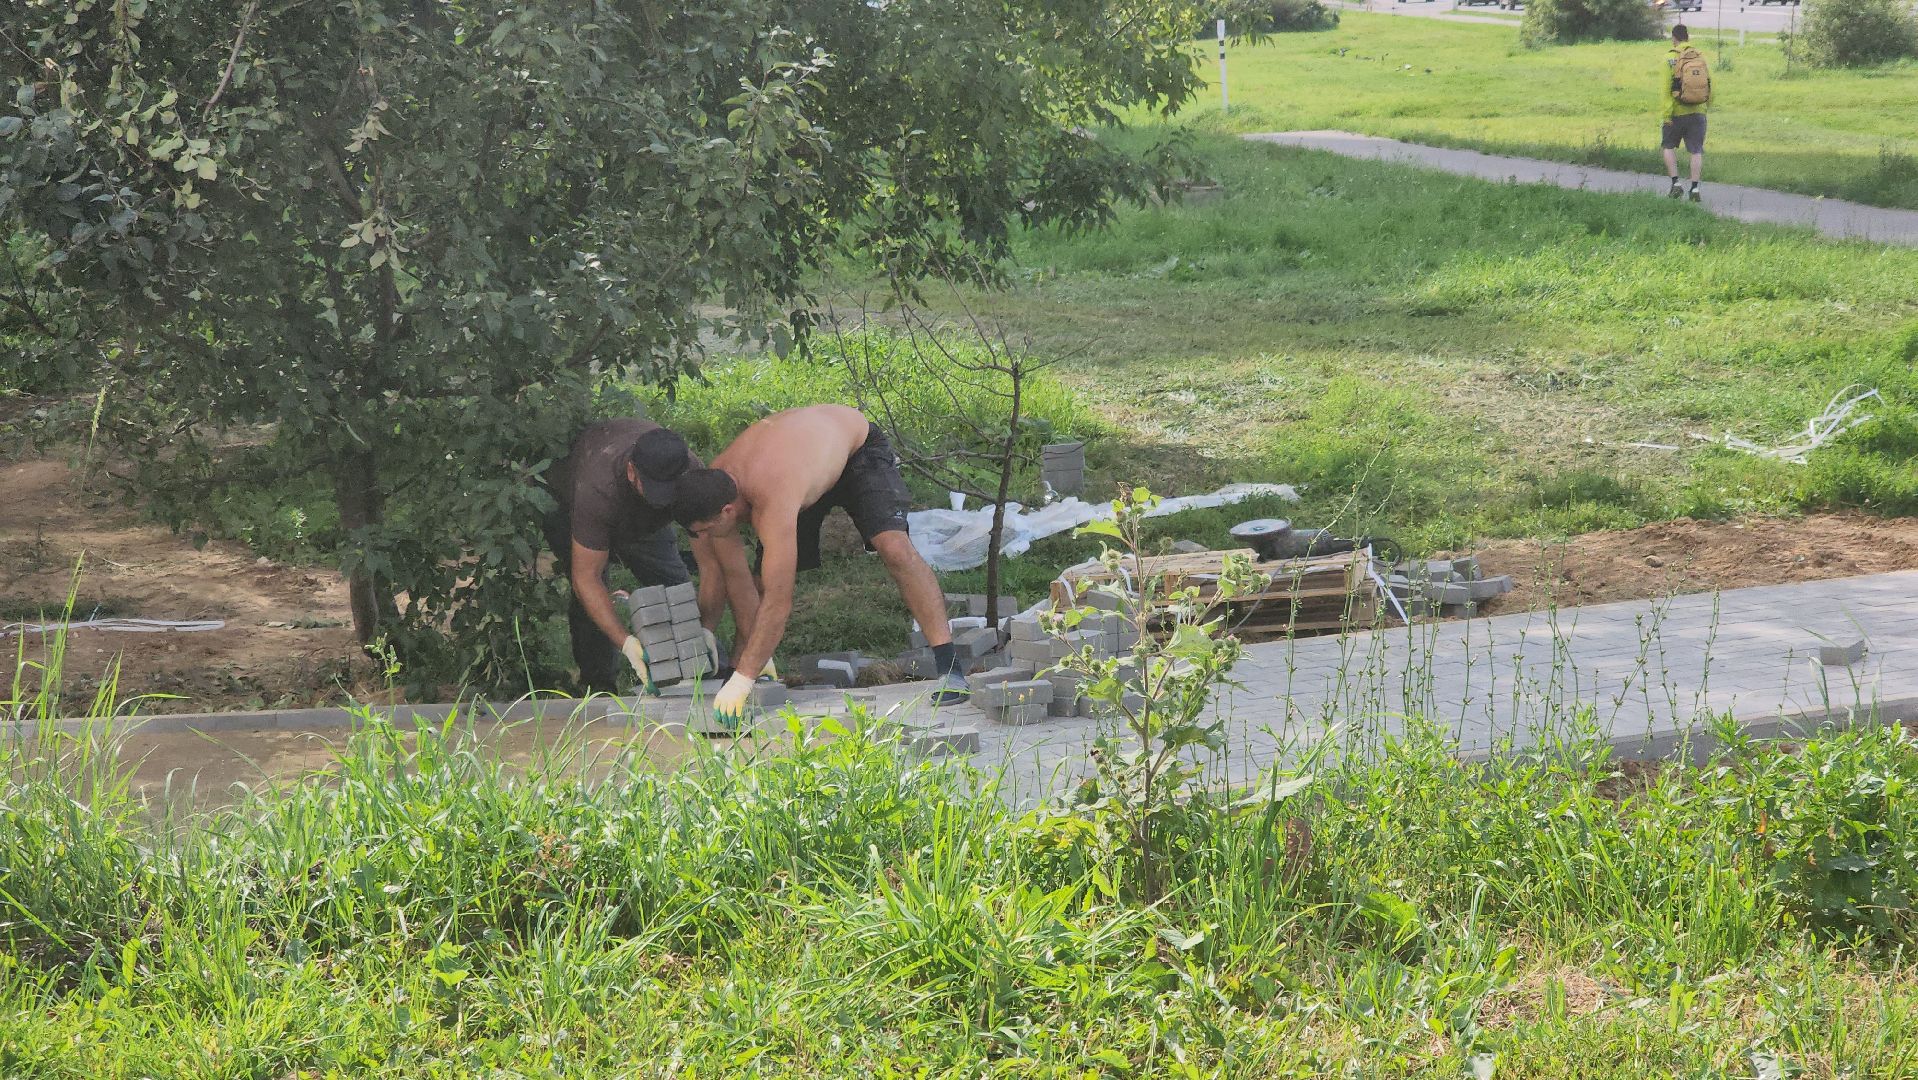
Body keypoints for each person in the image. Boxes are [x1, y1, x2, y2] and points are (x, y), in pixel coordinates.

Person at [648, 405, 969, 724]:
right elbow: (739, 583)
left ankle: (949, 666)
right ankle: (743, 670)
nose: (701, 538)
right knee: (761, 579)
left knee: (894, 548)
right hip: (807, 467)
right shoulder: (711, 488)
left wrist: (742, 680)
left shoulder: (772, 498)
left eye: (705, 530)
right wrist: (733, 666)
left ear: (728, 511)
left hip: (857, 449)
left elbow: (778, 602)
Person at [544, 418, 753, 693]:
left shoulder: (690, 473)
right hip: (577, 511)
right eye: (655, 491)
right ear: (632, 471)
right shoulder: (597, 489)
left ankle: (707, 673)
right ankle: (599, 685)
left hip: (647, 527)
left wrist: (706, 629)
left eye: (670, 493)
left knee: (675, 586)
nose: (663, 500)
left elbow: (710, 566)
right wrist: (627, 643)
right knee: (590, 601)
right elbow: (586, 579)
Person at [1661, 23, 1709, 203]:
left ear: (1674, 38)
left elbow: (1665, 89)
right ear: (1688, 37)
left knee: (1668, 146)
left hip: (1676, 112)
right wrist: (1705, 107)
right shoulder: (1700, 57)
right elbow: (1710, 85)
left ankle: (1676, 184)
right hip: (1698, 111)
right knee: (1696, 151)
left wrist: (1667, 115)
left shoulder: (1669, 58)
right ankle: (1695, 188)